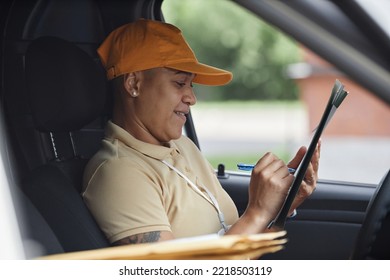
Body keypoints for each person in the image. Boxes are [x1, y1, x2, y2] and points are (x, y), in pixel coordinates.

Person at [82, 19, 320, 246]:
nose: (192, 98)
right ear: (134, 84)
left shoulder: (183, 147)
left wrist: (281, 204)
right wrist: (257, 211)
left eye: (191, 85)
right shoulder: (119, 172)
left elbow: (235, 246)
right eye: (179, 83)